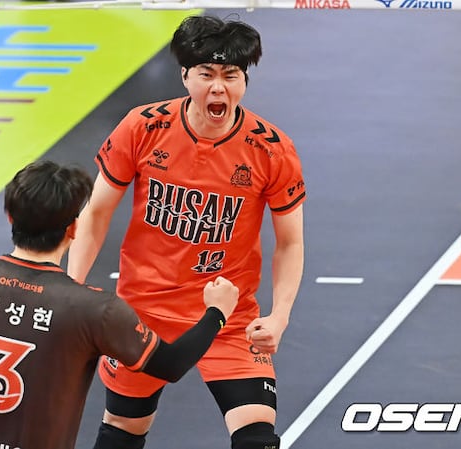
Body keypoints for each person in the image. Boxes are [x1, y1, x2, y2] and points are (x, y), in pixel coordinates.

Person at [68, 14, 306, 449]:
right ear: (184, 76)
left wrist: (280, 315)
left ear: (245, 80)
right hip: (141, 314)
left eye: (231, 76)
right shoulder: (142, 126)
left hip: (230, 317)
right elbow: (96, 212)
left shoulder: (271, 149)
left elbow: (290, 243)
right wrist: (71, 288)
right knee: (122, 432)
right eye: (206, 74)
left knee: (257, 438)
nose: (218, 88)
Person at [0, 160, 239, 449]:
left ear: (10, 216)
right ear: (73, 228)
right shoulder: (96, 309)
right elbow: (170, 365)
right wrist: (217, 313)